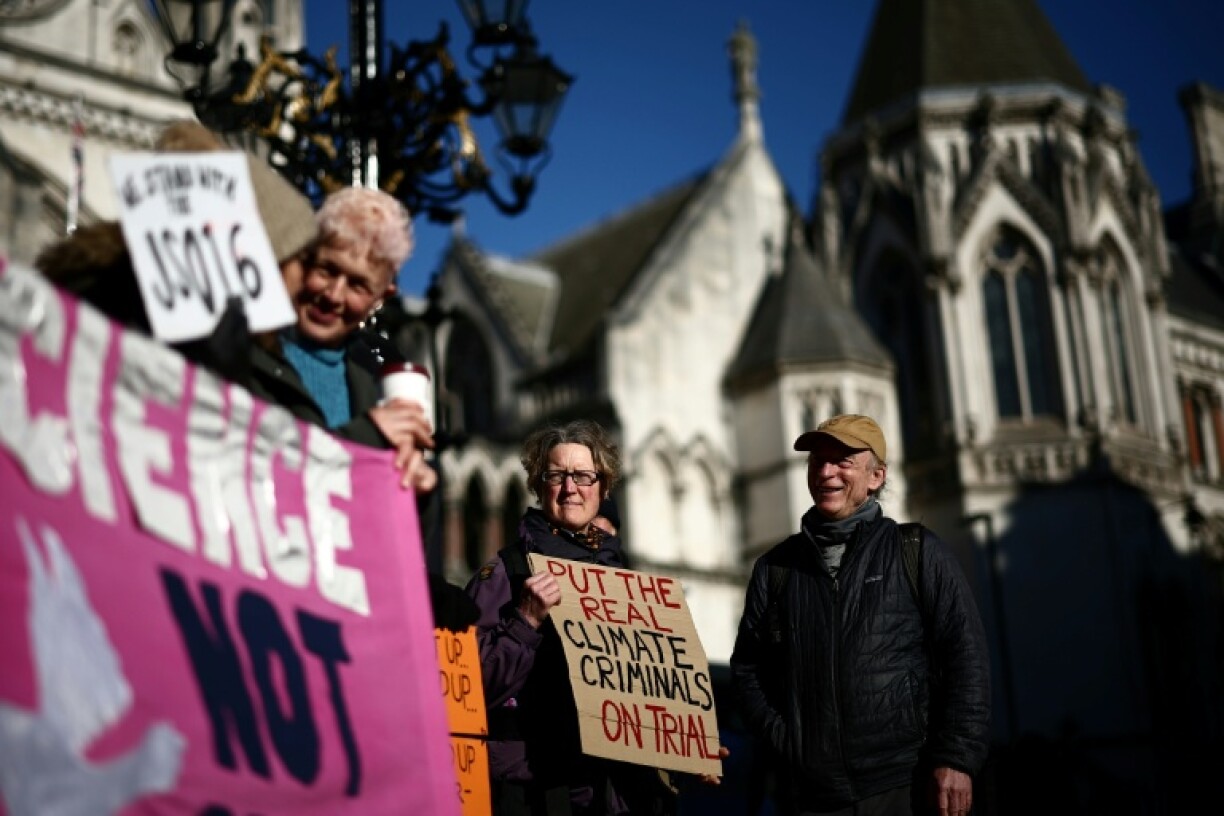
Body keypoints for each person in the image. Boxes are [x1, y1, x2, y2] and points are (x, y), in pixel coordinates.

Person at [730, 414, 990, 816]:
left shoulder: (917, 551)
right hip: (811, 797)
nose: (826, 472)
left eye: (843, 460)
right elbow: (748, 670)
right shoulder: (776, 568)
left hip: (905, 787)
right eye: (817, 461)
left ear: (876, 476)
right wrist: (790, 741)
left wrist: (955, 758)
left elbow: (966, 657)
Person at [465, 419, 683, 815]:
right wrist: (524, 622)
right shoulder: (506, 572)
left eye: (583, 476)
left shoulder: (627, 581)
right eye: (557, 476)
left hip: (615, 796)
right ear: (538, 484)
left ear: (604, 485)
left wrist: (687, 744)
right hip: (538, 795)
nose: (570, 489)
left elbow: (653, 691)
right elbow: (466, 690)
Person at [245, 185, 436, 493]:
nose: (333, 295)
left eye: (357, 286)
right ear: (304, 259)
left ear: (380, 297)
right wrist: (368, 434)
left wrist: (421, 494)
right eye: (326, 270)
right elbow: (258, 467)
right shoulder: (249, 349)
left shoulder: (378, 376)